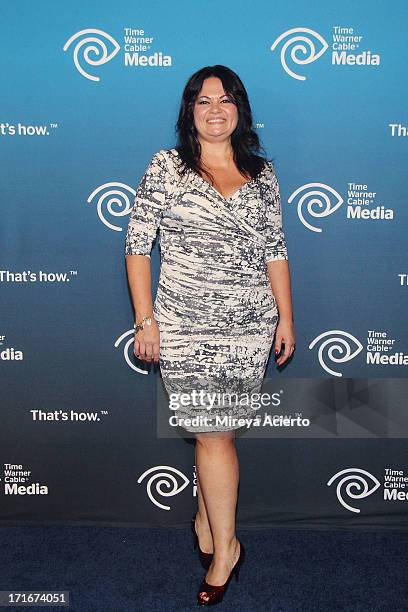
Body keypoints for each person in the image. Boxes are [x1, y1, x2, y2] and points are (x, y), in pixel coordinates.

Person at [124, 65, 295, 606]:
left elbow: (275, 250)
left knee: (212, 435)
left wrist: (286, 318)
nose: (214, 110)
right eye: (203, 101)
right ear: (189, 111)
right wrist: (145, 319)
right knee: (213, 434)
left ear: (239, 108)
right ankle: (228, 547)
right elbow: (136, 245)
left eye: (225, 100)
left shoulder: (262, 173)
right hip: (184, 325)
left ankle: (211, 527)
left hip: (249, 326)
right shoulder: (167, 167)